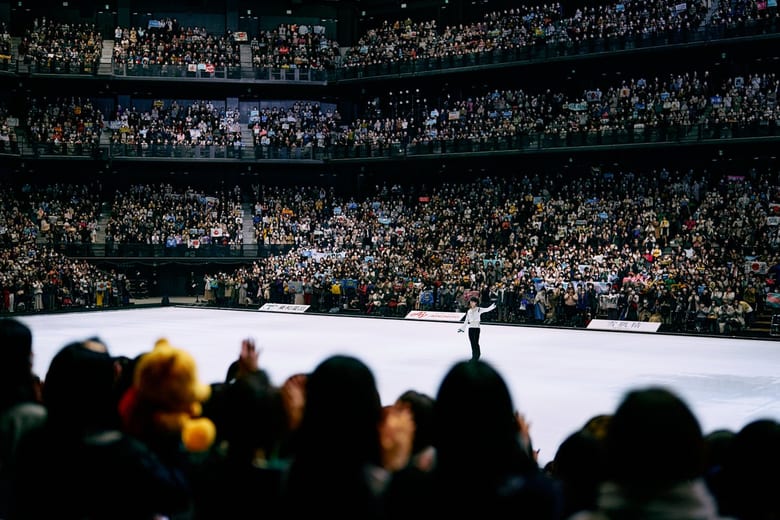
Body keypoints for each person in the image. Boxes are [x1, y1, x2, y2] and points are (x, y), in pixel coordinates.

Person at [457, 296, 496, 361]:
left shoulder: (479, 309)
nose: (472, 303)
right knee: (472, 343)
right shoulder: (469, 311)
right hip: (471, 329)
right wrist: (462, 328)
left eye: (473, 302)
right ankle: (474, 356)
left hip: (476, 328)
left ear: (476, 303)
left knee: (476, 343)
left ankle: (477, 355)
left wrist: (492, 307)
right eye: (471, 302)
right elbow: (466, 321)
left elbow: (487, 309)